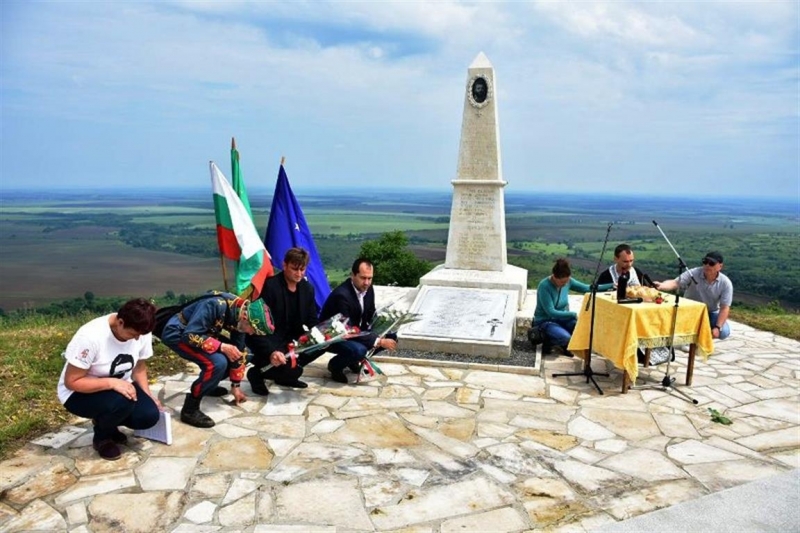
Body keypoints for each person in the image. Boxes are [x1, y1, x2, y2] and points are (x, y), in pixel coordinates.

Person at [57, 298, 161, 461]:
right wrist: (112, 383)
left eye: (139, 336)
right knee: (122, 402)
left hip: (117, 388)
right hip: (78, 393)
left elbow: (139, 367)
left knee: (148, 416)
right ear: (120, 322)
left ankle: (109, 423)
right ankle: (102, 438)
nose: (136, 339)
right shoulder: (90, 337)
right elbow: (72, 381)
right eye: (133, 334)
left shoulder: (140, 332)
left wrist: (148, 395)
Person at [160, 292, 274, 428]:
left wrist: (235, 386)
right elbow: (189, 335)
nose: (250, 333)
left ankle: (208, 386)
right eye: (253, 330)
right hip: (178, 333)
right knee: (217, 363)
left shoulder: (241, 313)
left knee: (244, 354)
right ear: (245, 317)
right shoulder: (214, 305)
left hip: (202, 333)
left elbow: (239, 352)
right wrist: (222, 346)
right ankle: (190, 409)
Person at [246, 247, 321, 395]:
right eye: (294, 269)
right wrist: (271, 351)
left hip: (292, 339)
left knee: (318, 347)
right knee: (288, 367)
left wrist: (322, 336)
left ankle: (286, 374)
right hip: (270, 338)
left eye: (302, 269)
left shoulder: (307, 289)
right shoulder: (270, 286)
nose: (299, 274)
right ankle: (257, 373)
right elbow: (258, 325)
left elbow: (312, 319)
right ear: (284, 265)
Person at [320, 258, 398, 383]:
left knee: (392, 336)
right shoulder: (342, 295)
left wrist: (384, 327)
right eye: (363, 278)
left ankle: (353, 361)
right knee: (359, 349)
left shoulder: (368, 289)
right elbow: (346, 330)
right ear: (353, 275)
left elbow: (370, 314)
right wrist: (378, 340)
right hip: (335, 336)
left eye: (370, 278)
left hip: (355, 331)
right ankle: (335, 366)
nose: (367, 282)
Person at [533, 258, 613, 356]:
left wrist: (611, 286)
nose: (565, 284)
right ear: (554, 277)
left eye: (566, 282)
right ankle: (549, 341)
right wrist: (573, 314)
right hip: (545, 320)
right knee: (566, 337)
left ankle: (564, 343)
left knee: (582, 329)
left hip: (563, 319)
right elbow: (551, 312)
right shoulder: (544, 286)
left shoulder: (568, 281)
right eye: (562, 282)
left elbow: (587, 288)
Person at [654, 251, 733, 340]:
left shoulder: (725, 283)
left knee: (724, 332)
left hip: (709, 312)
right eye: (705, 262)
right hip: (689, 309)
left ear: (720, 266)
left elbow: (725, 307)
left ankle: (700, 341)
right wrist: (661, 286)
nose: (707, 265)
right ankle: (689, 339)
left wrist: (718, 327)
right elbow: (675, 282)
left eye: (711, 263)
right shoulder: (693, 273)